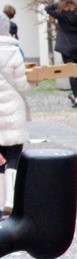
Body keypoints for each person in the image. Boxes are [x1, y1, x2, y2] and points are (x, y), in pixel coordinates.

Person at [0, 13, 31, 215]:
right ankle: (10, 200)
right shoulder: (13, 51)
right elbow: (22, 84)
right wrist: (34, 81)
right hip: (13, 108)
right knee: (13, 156)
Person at [45, 0, 77, 108]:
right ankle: (76, 95)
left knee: (71, 72)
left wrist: (59, 5)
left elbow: (48, 8)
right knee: (76, 72)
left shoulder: (62, 15)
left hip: (66, 46)